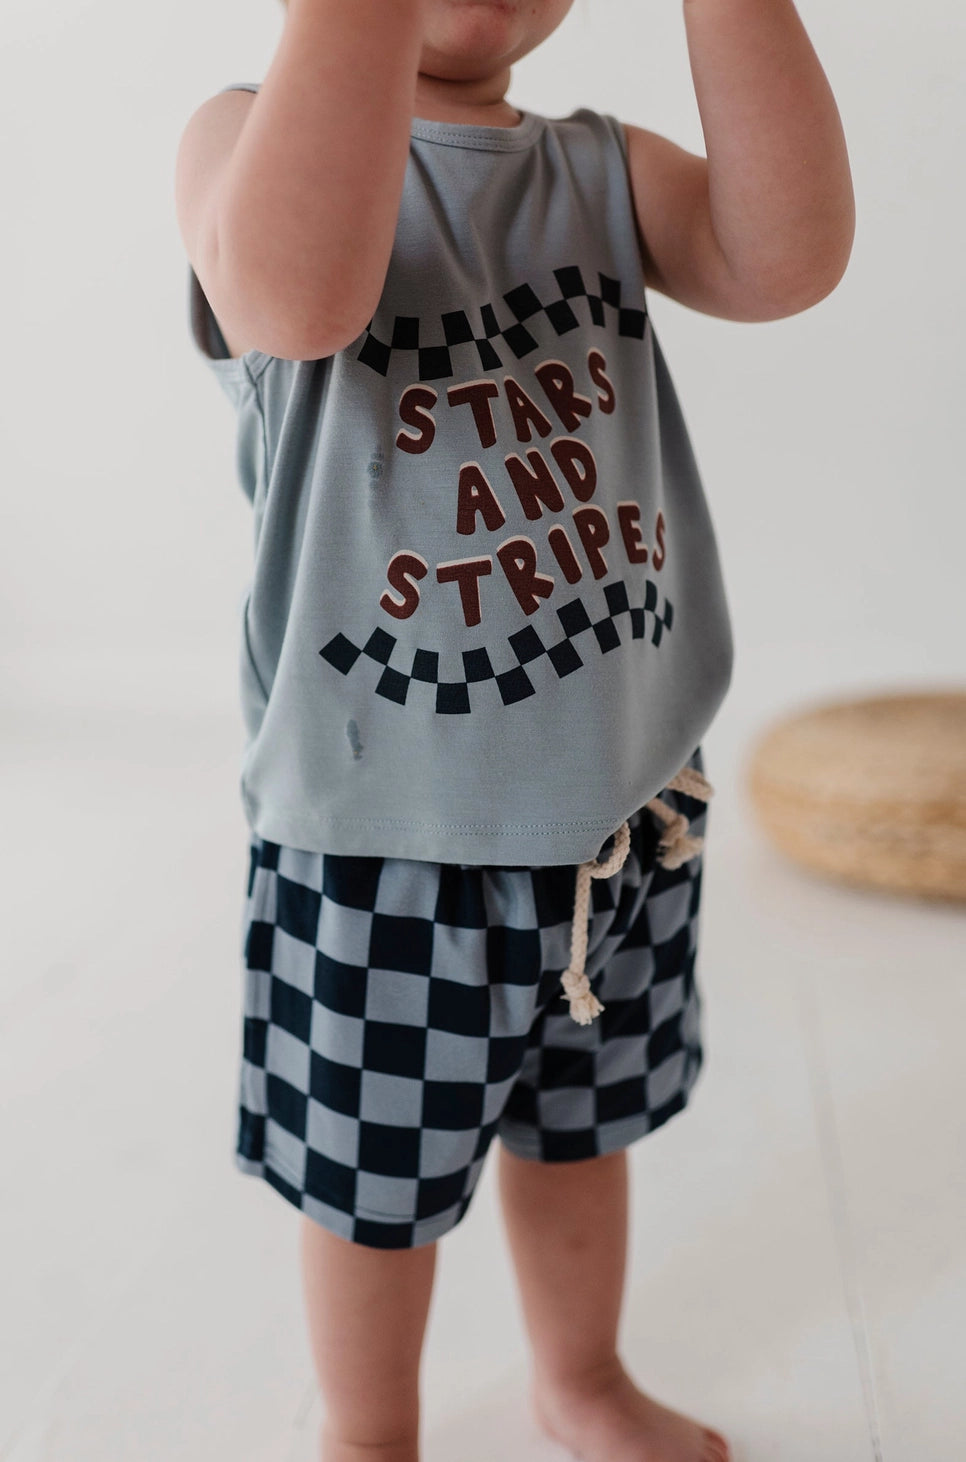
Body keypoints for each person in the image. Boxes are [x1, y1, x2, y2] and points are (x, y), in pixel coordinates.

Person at [174, 1, 854, 1457]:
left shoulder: (598, 170)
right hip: (390, 833)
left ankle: (580, 1375)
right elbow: (301, 299)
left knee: (580, 1130)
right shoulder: (240, 137)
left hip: (622, 802)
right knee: (373, 1192)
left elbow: (783, 259)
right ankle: (369, 1433)